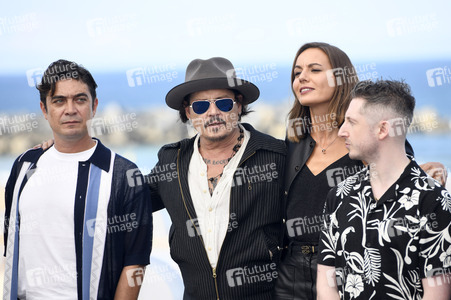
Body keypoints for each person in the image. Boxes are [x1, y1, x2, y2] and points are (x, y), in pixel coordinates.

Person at [273, 42, 447, 300]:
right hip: (290, 275)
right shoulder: (288, 146)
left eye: (315, 69)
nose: (302, 77)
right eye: (297, 72)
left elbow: (399, 185)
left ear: (341, 77)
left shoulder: (364, 140)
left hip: (348, 270)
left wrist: (428, 175)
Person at [3, 59, 152, 300]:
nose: (70, 109)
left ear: (93, 106)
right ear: (44, 109)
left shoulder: (122, 175)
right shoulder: (24, 166)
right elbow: (11, 242)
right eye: (59, 100)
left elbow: (135, 262)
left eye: (80, 100)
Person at [149, 57, 286, 299]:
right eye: (201, 106)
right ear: (188, 111)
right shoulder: (171, 161)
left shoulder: (275, 156)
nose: (213, 112)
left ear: (239, 104)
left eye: (223, 103)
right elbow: (123, 198)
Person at [317, 79, 451, 299]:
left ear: (382, 129)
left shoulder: (434, 201)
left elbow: (437, 293)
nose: (342, 132)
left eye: (351, 122)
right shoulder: (340, 194)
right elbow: (326, 283)